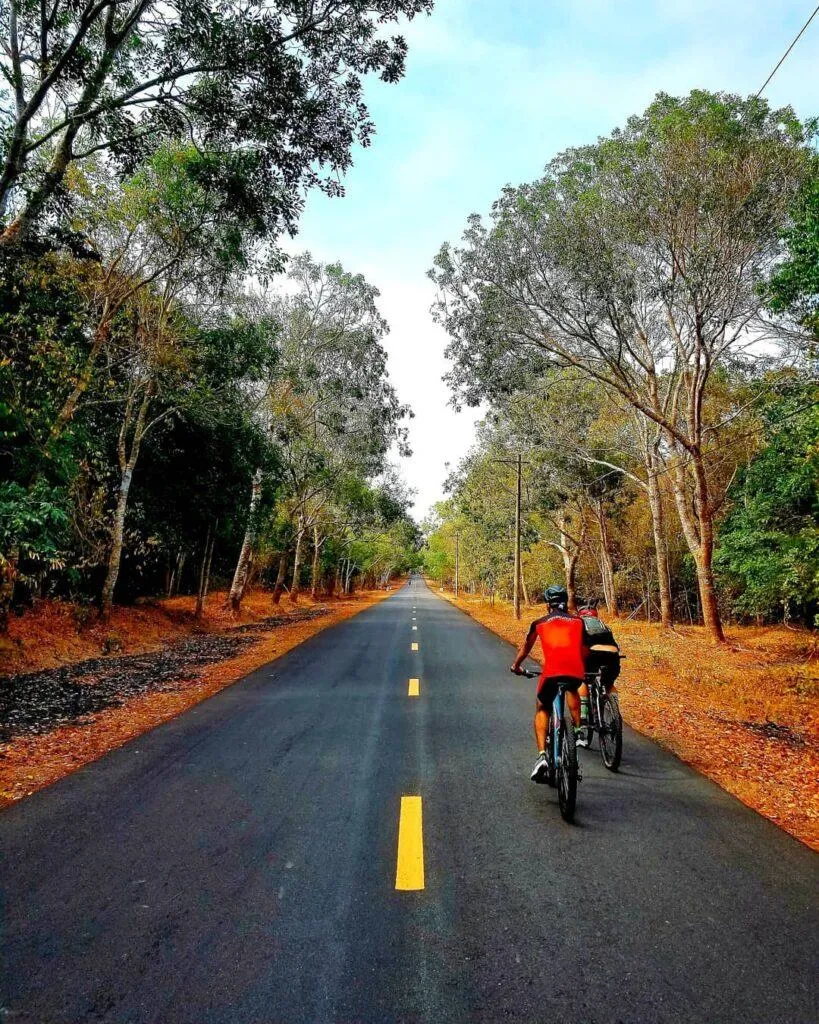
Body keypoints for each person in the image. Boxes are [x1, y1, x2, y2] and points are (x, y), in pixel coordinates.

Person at [511, 585, 588, 782]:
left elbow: (525, 649)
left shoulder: (540, 623)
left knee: (542, 707)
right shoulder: (579, 621)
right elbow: (585, 649)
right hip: (575, 672)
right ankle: (579, 731)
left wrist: (516, 666)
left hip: (552, 673)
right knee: (572, 687)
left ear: (547, 605)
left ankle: (542, 756)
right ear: (566, 602)